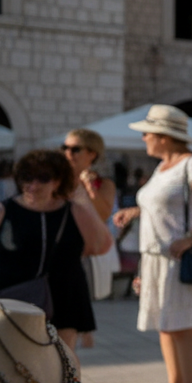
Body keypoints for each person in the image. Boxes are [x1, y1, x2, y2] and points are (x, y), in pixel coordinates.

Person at [111, 106, 192, 383]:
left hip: (180, 258)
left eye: (148, 132)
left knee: (182, 327)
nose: (144, 137)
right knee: (166, 326)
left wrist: (190, 237)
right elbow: (164, 207)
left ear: (165, 136)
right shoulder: (163, 167)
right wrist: (135, 213)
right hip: (155, 258)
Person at [0, 150, 111, 352]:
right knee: (15, 358)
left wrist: (82, 197)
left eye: (43, 178)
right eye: (27, 177)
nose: (33, 185)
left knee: (64, 359)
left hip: (66, 294)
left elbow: (101, 245)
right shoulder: (5, 210)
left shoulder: (75, 210)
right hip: (13, 294)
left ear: (58, 181)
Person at [62, 128, 117, 348]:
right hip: (57, 253)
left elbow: (103, 214)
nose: (68, 153)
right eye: (65, 148)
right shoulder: (55, 180)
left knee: (69, 323)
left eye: (75, 149)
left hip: (84, 254)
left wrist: (88, 188)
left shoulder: (103, 184)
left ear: (92, 154)